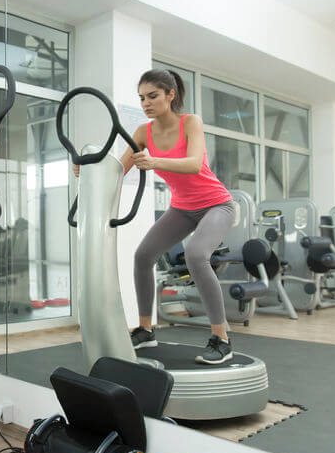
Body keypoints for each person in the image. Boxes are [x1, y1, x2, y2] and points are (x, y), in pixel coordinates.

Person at [74, 69, 235, 364]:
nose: (146, 103)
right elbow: (118, 171)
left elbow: (194, 164)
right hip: (182, 209)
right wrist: (87, 172)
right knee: (143, 256)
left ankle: (221, 338)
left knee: (196, 255)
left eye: (153, 96)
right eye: (142, 98)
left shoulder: (191, 122)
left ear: (170, 95)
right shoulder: (142, 133)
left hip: (217, 205)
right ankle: (146, 330)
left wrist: (155, 160)